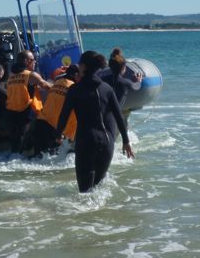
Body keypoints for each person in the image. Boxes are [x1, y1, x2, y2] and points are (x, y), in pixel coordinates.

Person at [57, 50, 135, 193]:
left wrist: (58, 135)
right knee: (97, 189)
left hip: (86, 141)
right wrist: (126, 141)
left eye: (80, 63)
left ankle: (84, 215)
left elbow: (64, 115)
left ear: (84, 67)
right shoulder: (107, 89)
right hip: (107, 143)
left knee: (85, 193)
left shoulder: (75, 90)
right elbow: (119, 117)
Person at [22, 64, 80, 157]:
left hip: (39, 123)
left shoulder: (57, 82)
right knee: (49, 160)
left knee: (37, 158)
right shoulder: (74, 88)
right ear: (76, 75)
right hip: (53, 129)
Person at [4, 50, 51, 152]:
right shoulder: (31, 75)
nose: (35, 62)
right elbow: (46, 86)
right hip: (26, 112)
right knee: (25, 138)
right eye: (33, 60)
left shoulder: (11, 77)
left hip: (11, 113)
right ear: (26, 61)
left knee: (16, 142)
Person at [102, 47, 142, 127]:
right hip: (113, 116)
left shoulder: (103, 79)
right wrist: (138, 80)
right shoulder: (125, 82)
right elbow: (136, 87)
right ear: (124, 68)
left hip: (101, 112)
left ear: (109, 66)